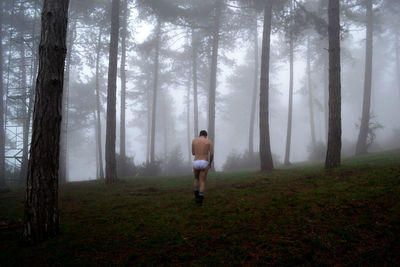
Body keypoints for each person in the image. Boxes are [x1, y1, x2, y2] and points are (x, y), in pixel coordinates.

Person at [192, 130, 214, 206]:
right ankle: (200, 201)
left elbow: (193, 153)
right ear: (206, 135)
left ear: (199, 135)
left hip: (196, 161)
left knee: (196, 179)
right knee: (202, 182)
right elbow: (211, 154)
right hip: (204, 162)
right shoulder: (208, 141)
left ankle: (196, 197)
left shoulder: (194, 141)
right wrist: (210, 163)